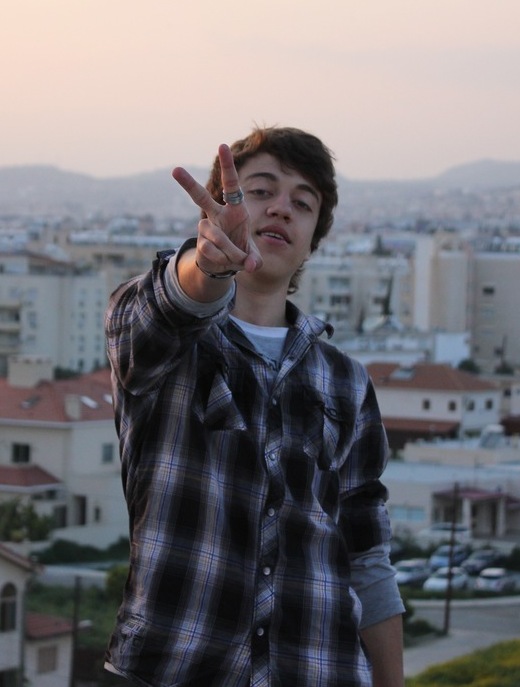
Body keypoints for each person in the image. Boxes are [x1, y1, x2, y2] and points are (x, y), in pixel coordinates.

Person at [104, 126, 405, 687]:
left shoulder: (345, 381)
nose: (282, 208)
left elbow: (367, 557)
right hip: (180, 669)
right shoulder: (164, 339)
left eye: (303, 203)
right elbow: (163, 311)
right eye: (261, 190)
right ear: (216, 210)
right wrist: (209, 268)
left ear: (313, 240)